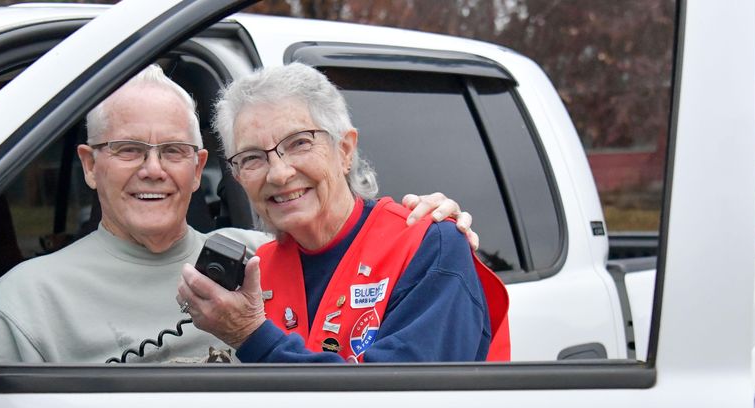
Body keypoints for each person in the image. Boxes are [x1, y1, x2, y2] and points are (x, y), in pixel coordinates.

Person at [0, 65, 476, 364]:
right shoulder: (20, 306)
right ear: (91, 166)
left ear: (200, 169)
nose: (153, 170)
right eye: (130, 150)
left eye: (174, 151)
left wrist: (439, 237)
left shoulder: (258, 259)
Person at [176, 63, 510, 364]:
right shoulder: (255, 274)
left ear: (345, 150)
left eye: (299, 143)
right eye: (251, 158)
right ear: (237, 178)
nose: (278, 174)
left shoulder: (428, 246)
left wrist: (252, 336)